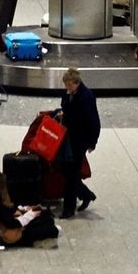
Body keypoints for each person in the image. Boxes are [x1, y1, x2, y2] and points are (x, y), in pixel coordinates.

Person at [55, 67, 100, 218]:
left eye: (69, 84)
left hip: (80, 141)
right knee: (67, 171)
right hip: (69, 137)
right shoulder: (69, 94)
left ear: (76, 82)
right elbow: (66, 108)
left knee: (71, 173)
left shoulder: (86, 97)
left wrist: (92, 142)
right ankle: (86, 194)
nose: (67, 87)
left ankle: (69, 209)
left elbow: (93, 121)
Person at [0, 172, 59, 249]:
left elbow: (12, 213)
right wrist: (30, 214)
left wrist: (27, 210)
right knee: (52, 229)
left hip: (17, 227)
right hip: (13, 234)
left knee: (46, 218)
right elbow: (12, 223)